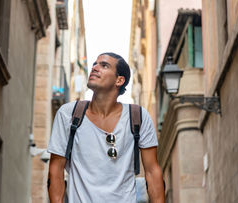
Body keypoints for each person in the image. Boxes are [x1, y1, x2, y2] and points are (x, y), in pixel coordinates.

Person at [47, 52, 165, 202]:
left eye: (104, 65)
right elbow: (55, 170)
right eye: (95, 64)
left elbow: (152, 172)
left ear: (119, 80)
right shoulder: (69, 114)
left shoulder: (138, 117)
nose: (95, 68)